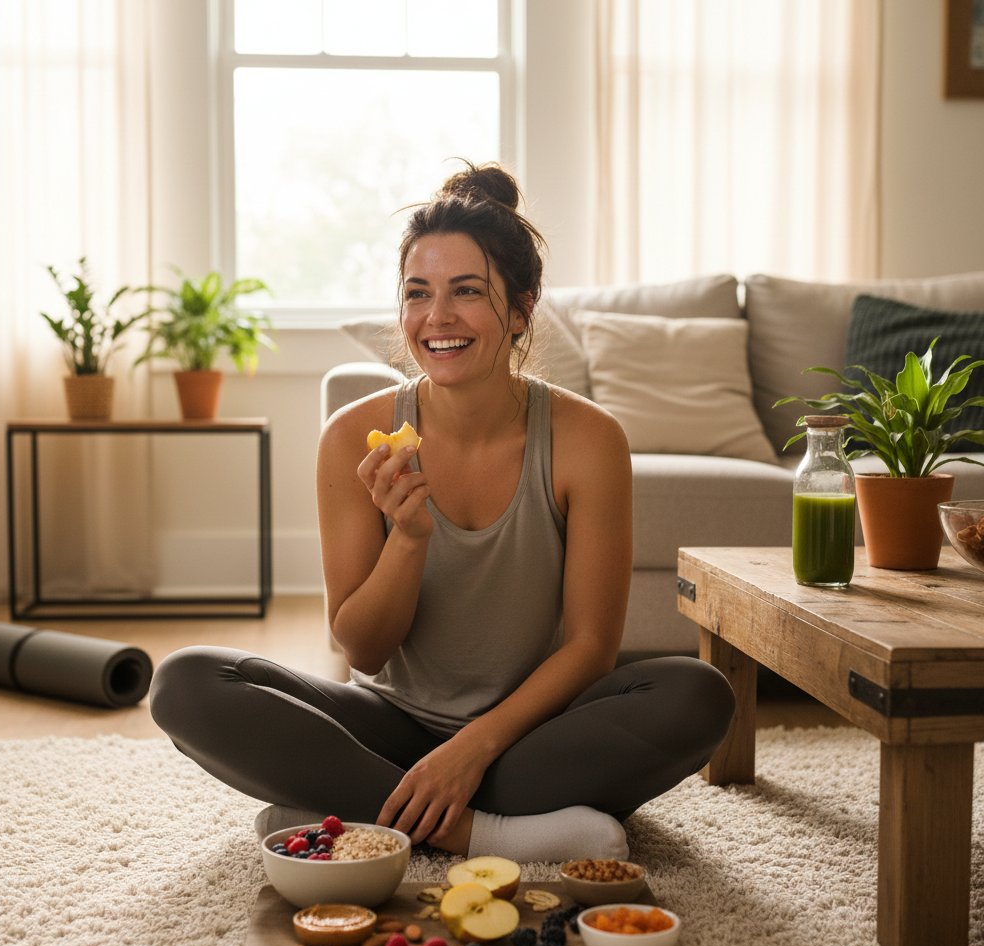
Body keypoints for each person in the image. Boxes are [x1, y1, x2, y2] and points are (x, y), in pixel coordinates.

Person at [149, 162, 735, 863]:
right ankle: (484, 832)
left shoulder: (588, 441)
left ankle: (353, 808)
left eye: (467, 293)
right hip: (387, 722)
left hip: (526, 733)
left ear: (521, 309)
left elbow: (589, 647)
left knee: (698, 694)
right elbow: (362, 649)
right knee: (186, 684)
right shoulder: (350, 438)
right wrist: (409, 538)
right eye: (417, 294)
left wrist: (473, 746)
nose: (438, 318)